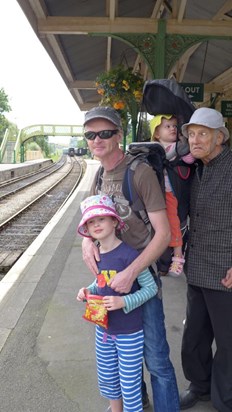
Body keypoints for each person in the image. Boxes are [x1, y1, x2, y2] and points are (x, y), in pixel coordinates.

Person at [81, 106, 180, 412]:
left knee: (155, 355)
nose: (98, 139)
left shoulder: (140, 173)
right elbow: (94, 217)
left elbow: (162, 234)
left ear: (119, 136)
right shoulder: (99, 173)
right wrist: (87, 240)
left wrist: (130, 273)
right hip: (107, 280)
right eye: (91, 134)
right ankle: (136, 404)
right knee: (120, 351)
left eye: (105, 133)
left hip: (140, 277)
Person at [77, 194, 158, 412]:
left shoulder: (129, 255)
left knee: (129, 383)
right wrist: (88, 290)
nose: (96, 225)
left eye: (101, 219)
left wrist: (124, 301)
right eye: (91, 222)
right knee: (108, 377)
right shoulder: (97, 254)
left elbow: (151, 289)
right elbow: (101, 281)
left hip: (128, 333)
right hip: (102, 330)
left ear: (114, 222)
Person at [179, 107, 232, 412]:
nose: (194, 140)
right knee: (195, 335)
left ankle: (224, 400)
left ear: (219, 138)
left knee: (228, 342)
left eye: (202, 134)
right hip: (196, 265)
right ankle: (199, 386)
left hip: (225, 270)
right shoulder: (194, 168)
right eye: (191, 134)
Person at [150, 114, 195, 277]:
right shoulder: (153, 149)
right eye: (167, 126)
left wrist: (186, 147)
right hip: (156, 193)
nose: (172, 129)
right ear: (156, 133)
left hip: (171, 193)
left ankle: (177, 255)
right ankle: (162, 259)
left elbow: (190, 159)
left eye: (174, 126)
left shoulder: (179, 146)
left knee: (174, 223)